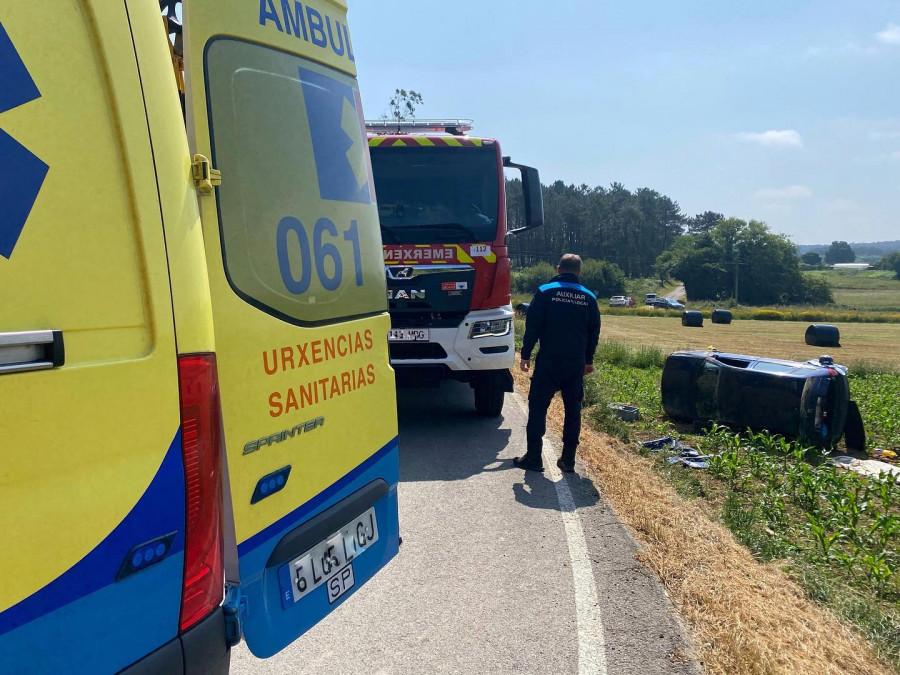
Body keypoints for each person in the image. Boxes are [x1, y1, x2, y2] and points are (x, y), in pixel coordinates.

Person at [515, 254, 601, 473]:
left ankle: (534, 458)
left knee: (537, 408)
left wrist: (525, 355)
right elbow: (593, 333)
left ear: (558, 268)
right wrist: (588, 361)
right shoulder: (589, 297)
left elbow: (532, 326)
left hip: (549, 361)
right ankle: (568, 460)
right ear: (579, 272)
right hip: (575, 364)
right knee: (573, 410)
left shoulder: (545, 291)